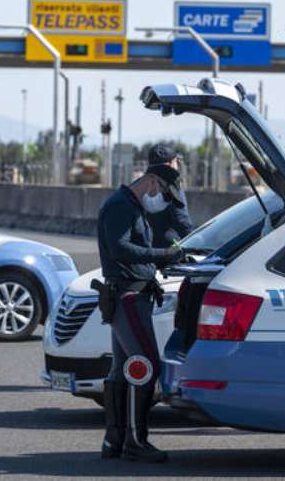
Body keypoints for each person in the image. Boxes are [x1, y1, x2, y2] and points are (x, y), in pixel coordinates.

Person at [97, 163, 186, 463]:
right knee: (145, 366)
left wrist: (159, 263)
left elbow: (135, 251)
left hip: (133, 294)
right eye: (161, 190)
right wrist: (162, 255)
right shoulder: (120, 206)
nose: (161, 197)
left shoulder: (132, 206)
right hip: (128, 296)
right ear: (151, 181)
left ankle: (115, 440)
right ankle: (135, 441)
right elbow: (120, 248)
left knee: (124, 368)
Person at [145, 144, 194, 248]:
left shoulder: (143, 184)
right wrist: (196, 246)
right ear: (171, 164)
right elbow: (182, 221)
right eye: (177, 162)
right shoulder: (172, 185)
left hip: (147, 249)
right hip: (170, 250)